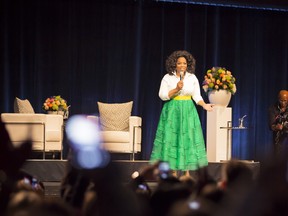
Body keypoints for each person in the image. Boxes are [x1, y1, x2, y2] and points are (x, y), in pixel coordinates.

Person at [150, 50, 213, 177]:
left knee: (187, 138)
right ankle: (172, 172)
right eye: (179, 63)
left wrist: (204, 105)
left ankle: (186, 173)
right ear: (174, 64)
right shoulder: (168, 77)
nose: (182, 66)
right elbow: (162, 95)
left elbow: (196, 95)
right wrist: (176, 89)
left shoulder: (192, 77)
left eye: (184, 63)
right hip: (173, 110)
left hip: (188, 111)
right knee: (172, 138)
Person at [268, 90, 288, 156]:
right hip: (279, 140)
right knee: (279, 159)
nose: (283, 103)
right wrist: (276, 127)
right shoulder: (273, 109)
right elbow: (271, 126)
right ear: (278, 99)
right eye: (281, 100)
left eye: (285, 101)